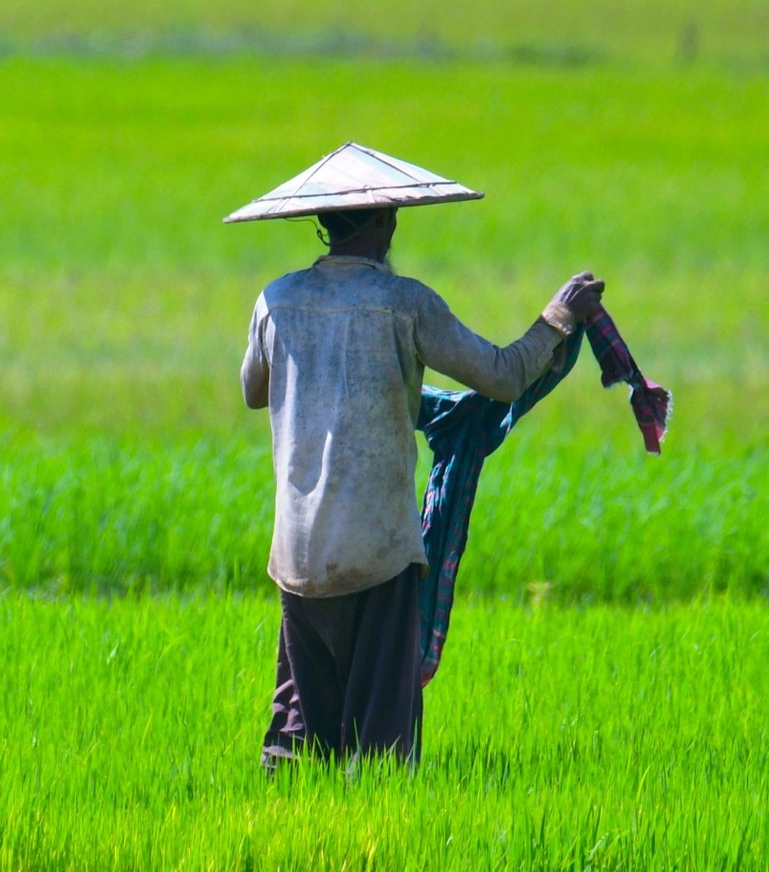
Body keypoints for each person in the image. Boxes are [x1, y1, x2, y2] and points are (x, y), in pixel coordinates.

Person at [225, 142, 605, 767]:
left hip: (299, 558)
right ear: (386, 222)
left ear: (323, 224)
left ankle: (292, 843)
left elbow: (252, 391)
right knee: (378, 751)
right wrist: (557, 318)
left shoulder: (276, 301)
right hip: (378, 558)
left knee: (300, 740)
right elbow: (504, 377)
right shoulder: (405, 303)